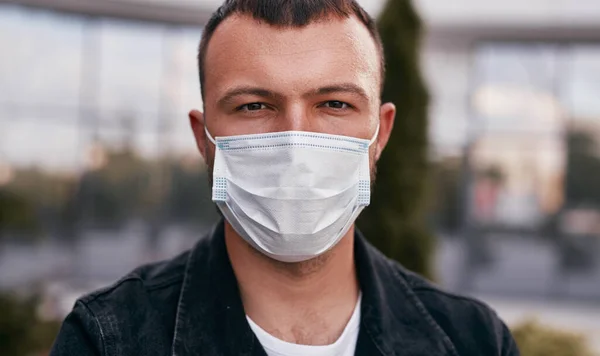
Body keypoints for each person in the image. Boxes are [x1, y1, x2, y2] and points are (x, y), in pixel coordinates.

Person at [51, 0, 519, 355]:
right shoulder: (108, 339)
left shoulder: (474, 341)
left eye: (335, 104)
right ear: (203, 136)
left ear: (380, 134)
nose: (296, 143)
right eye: (253, 105)